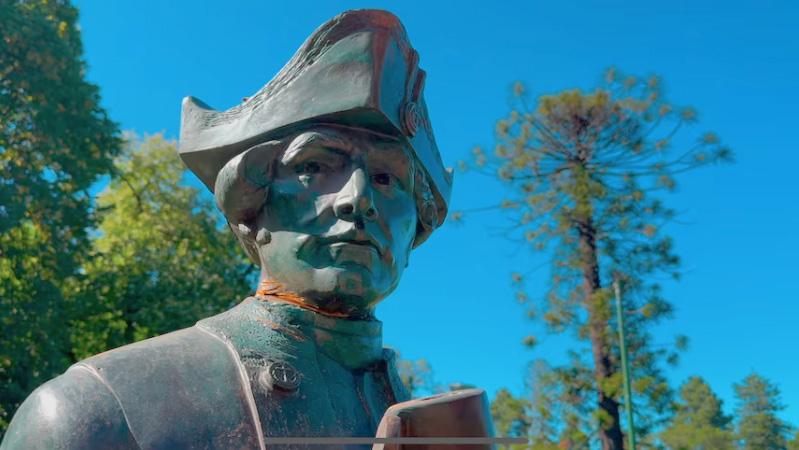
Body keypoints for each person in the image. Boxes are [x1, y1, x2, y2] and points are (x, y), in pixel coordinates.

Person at [1, 9, 493, 450]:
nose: (357, 197)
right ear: (250, 204)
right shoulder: (101, 412)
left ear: (414, 229)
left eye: (387, 178)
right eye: (315, 166)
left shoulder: (444, 433)